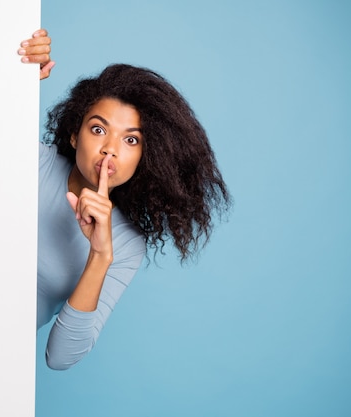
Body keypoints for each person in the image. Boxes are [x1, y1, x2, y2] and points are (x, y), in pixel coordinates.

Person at [18, 30, 231, 370]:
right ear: (74, 134)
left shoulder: (126, 244)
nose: (111, 148)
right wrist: (14, 78)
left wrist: (100, 255)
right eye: (99, 130)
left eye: (131, 140)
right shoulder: (31, 160)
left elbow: (60, 358)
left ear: (146, 157)